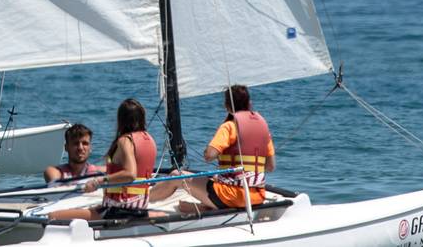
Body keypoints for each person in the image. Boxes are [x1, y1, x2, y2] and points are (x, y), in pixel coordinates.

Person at [49, 99, 163, 222]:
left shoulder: (125, 141)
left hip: (119, 211)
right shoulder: (149, 140)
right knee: (94, 208)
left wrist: (99, 181)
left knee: (53, 216)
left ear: (121, 119)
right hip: (139, 207)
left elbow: (130, 174)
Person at [178, 84, 275, 215]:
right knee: (209, 185)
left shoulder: (229, 126)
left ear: (227, 106)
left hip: (232, 196)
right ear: (249, 103)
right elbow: (270, 167)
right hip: (257, 196)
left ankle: (144, 206)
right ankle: (205, 207)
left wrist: (210, 150)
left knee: (176, 176)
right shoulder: (263, 128)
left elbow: (209, 156)